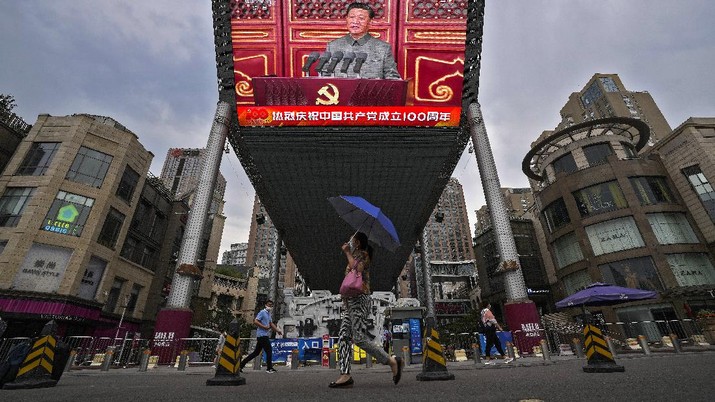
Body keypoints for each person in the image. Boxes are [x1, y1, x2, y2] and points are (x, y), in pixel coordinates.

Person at [330, 231, 403, 388]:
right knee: (343, 336)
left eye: (352, 239)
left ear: (357, 242)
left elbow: (358, 269)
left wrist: (347, 253)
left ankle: (391, 361)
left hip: (360, 300)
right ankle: (345, 374)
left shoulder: (363, 254)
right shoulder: (356, 254)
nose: (349, 241)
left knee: (359, 338)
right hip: (350, 302)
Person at [324, 2, 401, 79]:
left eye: (361, 18)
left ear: (370, 22)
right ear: (346, 19)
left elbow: (392, 78)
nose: (355, 22)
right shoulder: (333, 46)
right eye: (352, 17)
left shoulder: (383, 48)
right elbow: (324, 76)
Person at [239, 300, 283, 373]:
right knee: (269, 350)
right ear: (265, 305)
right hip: (262, 335)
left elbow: (271, 323)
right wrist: (264, 327)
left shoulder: (268, 314)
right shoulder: (262, 312)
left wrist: (277, 330)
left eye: (271, 305)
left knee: (256, 352)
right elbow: (256, 321)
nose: (270, 307)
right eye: (269, 305)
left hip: (263, 335)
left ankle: (241, 365)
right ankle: (269, 368)